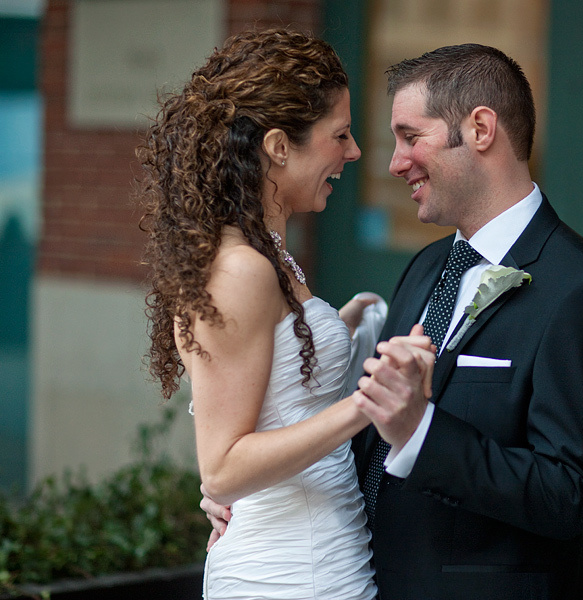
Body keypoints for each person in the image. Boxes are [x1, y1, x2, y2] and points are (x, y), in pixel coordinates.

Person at [204, 42, 583, 600]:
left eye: (411, 137)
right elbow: (365, 439)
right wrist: (257, 488)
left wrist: (421, 434)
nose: (393, 161)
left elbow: (567, 495)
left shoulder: (580, 292)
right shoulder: (428, 267)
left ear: (481, 129)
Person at [137, 28, 433, 600]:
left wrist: (341, 328)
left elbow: (270, 393)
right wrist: (368, 403)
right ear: (278, 146)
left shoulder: (264, 253)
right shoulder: (240, 268)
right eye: (339, 135)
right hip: (289, 573)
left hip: (321, 554)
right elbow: (222, 469)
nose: (353, 152)